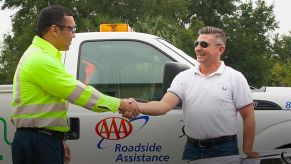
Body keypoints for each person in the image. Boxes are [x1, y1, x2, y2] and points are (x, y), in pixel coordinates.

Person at [10, 5, 138, 164]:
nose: (74, 35)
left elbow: (50, 107)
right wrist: (119, 104)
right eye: (71, 29)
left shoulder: (43, 56)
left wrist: (59, 139)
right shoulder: (40, 59)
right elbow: (78, 92)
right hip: (38, 142)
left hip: (42, 139)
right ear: (55, 30)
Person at [124, 26, 257, 161]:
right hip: (192, 149)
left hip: (224, 149)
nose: (198, 48)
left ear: (220, 49)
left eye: (204, 44)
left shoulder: (235, 77)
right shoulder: (184, 77)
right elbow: (163, 106)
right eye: (197, 44)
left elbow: (248, 116)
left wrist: (248, 151)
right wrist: (136, 105)